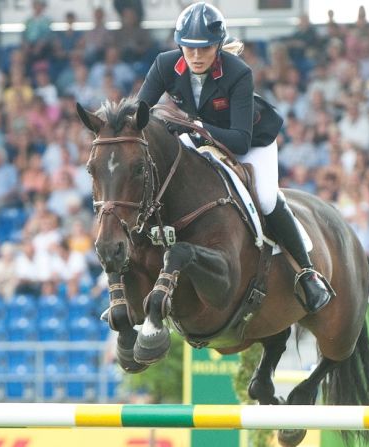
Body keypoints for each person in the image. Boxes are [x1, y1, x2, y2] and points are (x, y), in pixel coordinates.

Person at [135, 2, 332, 313]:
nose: (196, 56)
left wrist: (192, 125)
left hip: (252, 140)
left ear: (218, 45)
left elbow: (240, 142)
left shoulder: (238, 72)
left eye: (205, 48)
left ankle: (307, 272)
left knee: (266, 198)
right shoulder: (164, 65)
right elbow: (139, 115)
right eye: (189, 48)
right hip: (200, 137)